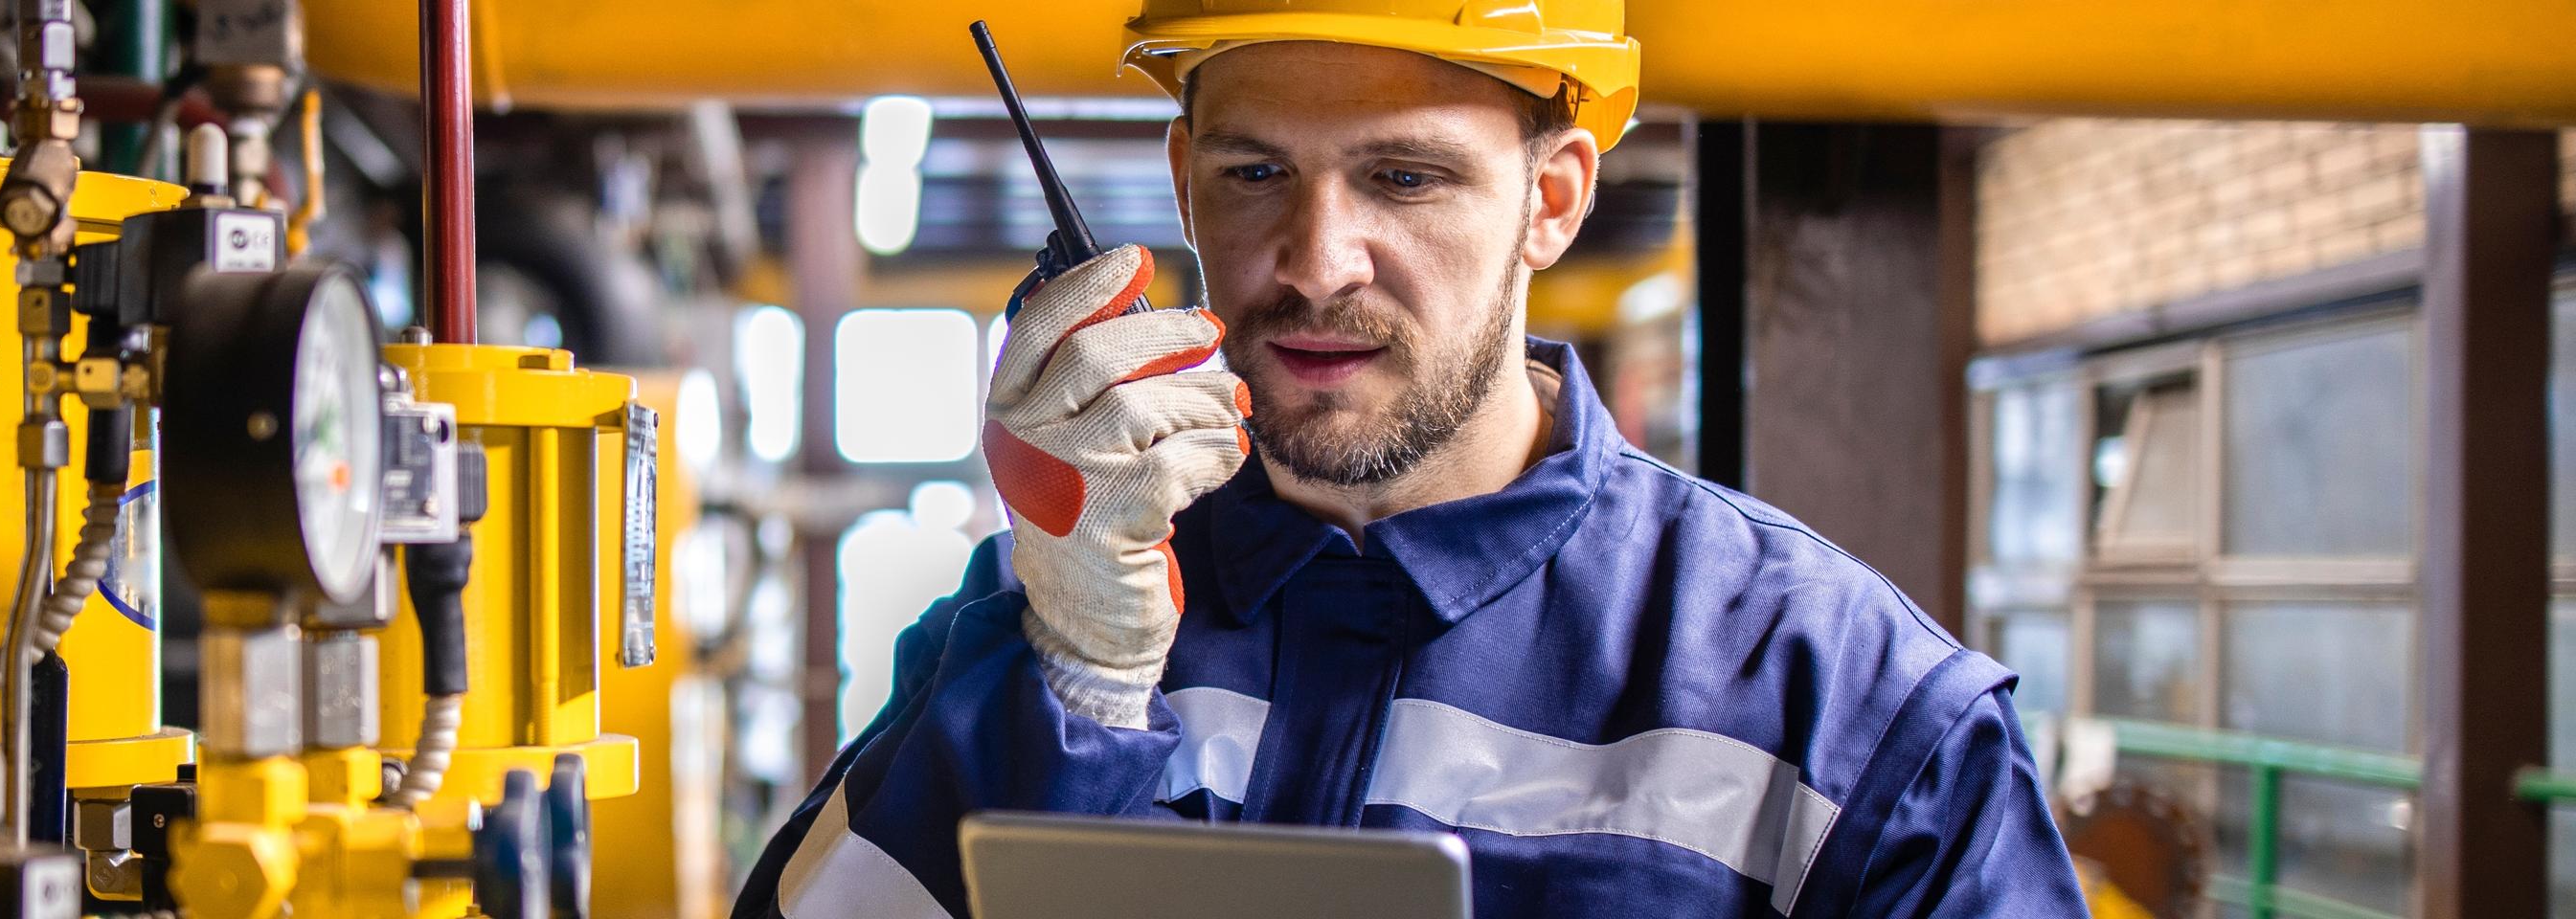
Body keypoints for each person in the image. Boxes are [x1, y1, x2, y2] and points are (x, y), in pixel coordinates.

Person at [731, 1, 2087, 915]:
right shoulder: (1042, 629)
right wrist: (1076, 695)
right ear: (1184, 176)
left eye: (1406, 178)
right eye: (1258, 175)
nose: (1317, 265)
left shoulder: (1847, 710)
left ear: (1549, 202)